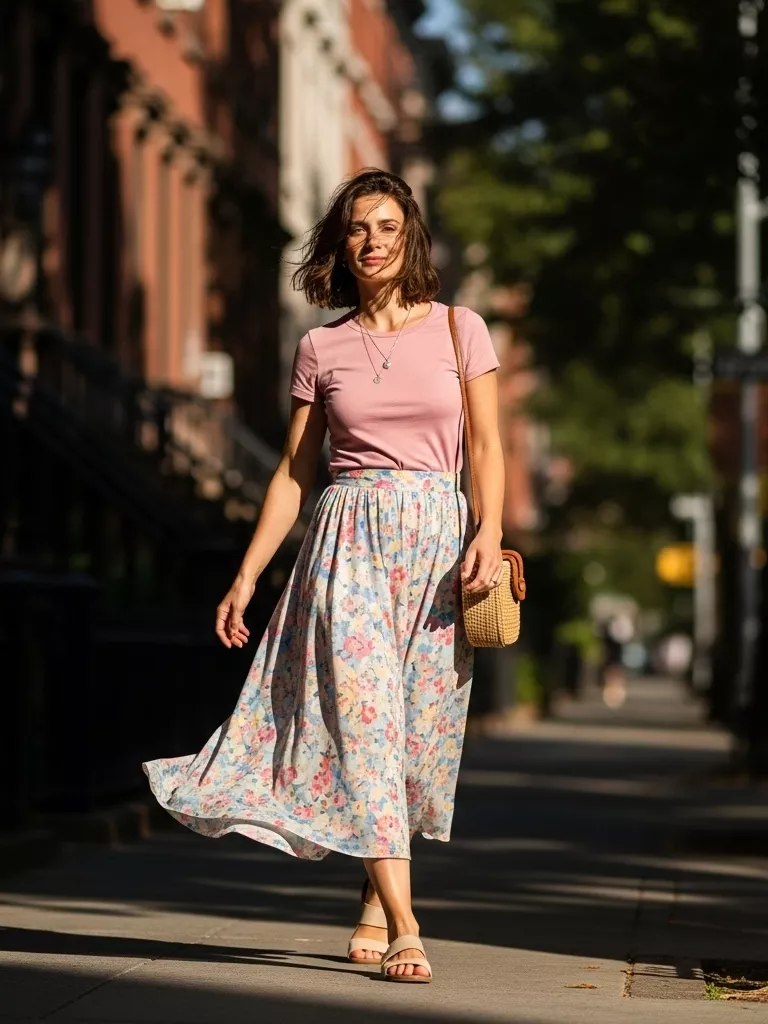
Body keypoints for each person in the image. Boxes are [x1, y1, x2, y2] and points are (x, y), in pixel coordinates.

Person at [143, 169, 505, 984]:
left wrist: (491, 529)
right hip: (346, 544)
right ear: (340, 244)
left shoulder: (460, 329)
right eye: (356, 229)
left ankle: (376, 897)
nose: (372, 241)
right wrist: (246, 576)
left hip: (439, 545)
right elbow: (292, 474)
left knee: (417, 738)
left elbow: (486, 447)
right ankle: (409, 924)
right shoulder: (322, 346)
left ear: (410, 235)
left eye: (386, 226)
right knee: (368, 728)